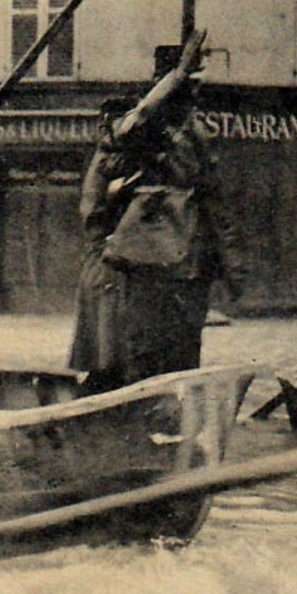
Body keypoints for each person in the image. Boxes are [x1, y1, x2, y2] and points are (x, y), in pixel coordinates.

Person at [67, 46, 241, 393]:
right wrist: (176, 75)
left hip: (189, 259)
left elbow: (215, 202)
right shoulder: (139, 135)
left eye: (194, 84)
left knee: (182, 353)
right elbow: (95, 211)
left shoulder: (195, 134)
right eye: (186, 84)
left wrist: (231, 266)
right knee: (129, 355)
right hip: (138, 259)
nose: (193, 92)